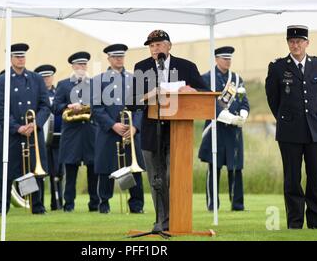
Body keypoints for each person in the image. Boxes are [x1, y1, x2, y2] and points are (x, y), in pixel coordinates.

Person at [133, 30, 208, 232]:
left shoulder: (186, 66)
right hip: (151, 132)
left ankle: (178, 219)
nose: (155, 48)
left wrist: (192, 90)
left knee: (171, 177)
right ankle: (162, 221)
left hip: (178, 133)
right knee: (155, 179)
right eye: (151, 45)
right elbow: (133, 101)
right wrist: (151, 94)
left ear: (169, 46)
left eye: (158, 44)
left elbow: (205, 92)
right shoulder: (141, 68)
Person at [265, 25, 317, 229]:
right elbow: (273, 99)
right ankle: (295, 222)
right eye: (292, 41)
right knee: (292, 179)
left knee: (316, 178)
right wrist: (286, 118)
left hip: (315, 131)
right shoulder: (277, 67)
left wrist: (311, 116)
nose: (295, 45)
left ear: (307, 43)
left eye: (300, 41)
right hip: (289, 132)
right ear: (288, 43)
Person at [0, 43, 50, 215]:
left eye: (23, 56)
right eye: (17, 56)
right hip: (12, 134)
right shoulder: (1, 81)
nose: (20, 59)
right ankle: (1, 207)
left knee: (34, 170)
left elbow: (45, 105)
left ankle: (37, 206)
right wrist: (17, 127)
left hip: (33, 133)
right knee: (6, 172)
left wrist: (35, 124)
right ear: (10, 58)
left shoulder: (36, 79)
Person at [92, 44, 145, 214]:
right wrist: (112, 125)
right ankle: (104, 204)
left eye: (121, 56)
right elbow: (96, 108)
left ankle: (136, 205)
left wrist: (135, 127)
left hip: (130, 131)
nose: (118, 59)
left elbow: (139, 107)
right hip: (109, 132)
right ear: (108, 59)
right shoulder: (98, 80)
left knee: (133, 168)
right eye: (115, 57)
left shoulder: (133, 79)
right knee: (106, 169)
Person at [198, 46, 249, 211]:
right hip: (216, 128)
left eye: (229, 59)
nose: (228, 61)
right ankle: (212, 205)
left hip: (234, 130)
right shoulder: (206, 78)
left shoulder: (236, 78)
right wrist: (229, 118)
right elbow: (209, 104)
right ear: (217, 59)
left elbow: (243, 100)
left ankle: (237, 204)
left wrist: (243, 114)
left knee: (236, 168)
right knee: (214, 166)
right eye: (224, 58)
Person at [53, 52, 99, 212]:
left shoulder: (94, 84)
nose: (82, 67)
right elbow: (56, 107)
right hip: (71, 134)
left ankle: (94, 204)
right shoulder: (63, 84)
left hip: (90, 133)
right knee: (70, 172)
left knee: (93, 171)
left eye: (84, 64)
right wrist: (69, 107)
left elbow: (100, 106)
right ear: (73, 66)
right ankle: (68, 205)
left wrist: (87, 106)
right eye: (79, 65)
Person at [34, 64, 64, 211]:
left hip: (57, 139)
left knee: (57, 172)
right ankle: (39, 202)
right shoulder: (36, 94)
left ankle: (57, 202)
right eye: (43, 77)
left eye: (49, 76)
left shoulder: (58, 92)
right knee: (40, 172)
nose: (47, 79)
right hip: (40, 137)